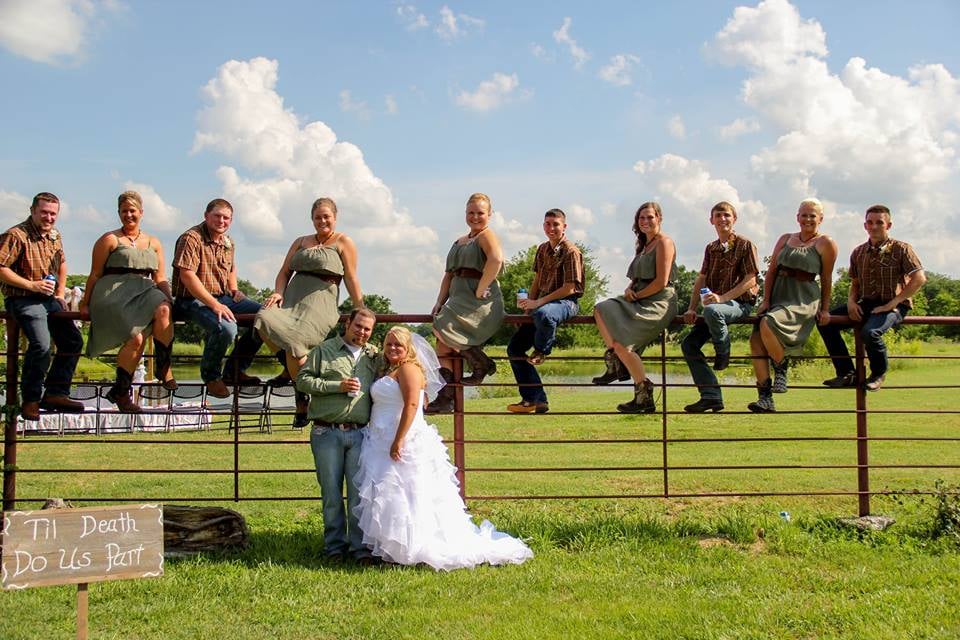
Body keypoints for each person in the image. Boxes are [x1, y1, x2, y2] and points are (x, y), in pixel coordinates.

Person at [354, 326, 533, 570]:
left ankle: (415, 548)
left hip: (401, 439)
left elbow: (412, 405)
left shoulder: (409, 369)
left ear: (408, 349)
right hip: (379, 437)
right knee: (389, 495)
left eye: (398, 344)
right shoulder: (390, 369)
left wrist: (398, 440)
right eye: (389, 344)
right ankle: (392, 549)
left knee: (407, 494)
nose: (393, 348)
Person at [254, 197, 364, 427]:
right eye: (317, 217)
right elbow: (284, 272)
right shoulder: (300, 241)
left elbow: (351, 277)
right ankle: (289, 369)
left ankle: (301, 399)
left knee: (296, 341)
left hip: (320, 302)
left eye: (327, 216)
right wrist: (277, 292)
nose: (322, 221)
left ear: (335, 217)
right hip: (292, 299)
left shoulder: (343, 242)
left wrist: (360, 307)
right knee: (263, 318)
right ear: (311, 219)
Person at [79, 191, 177, 413]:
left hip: (145, 290)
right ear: (119, 213)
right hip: (113, 293)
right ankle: (122, 392)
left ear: (141, 213)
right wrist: (84, 303)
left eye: (133, 211)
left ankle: (164, 367)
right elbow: (95, 273)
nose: (129, 215)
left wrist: (170, 299)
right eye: (124, 211)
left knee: (164, 309)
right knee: (135, 338)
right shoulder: (109, 239)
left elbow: (160, 277)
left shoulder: (154, 242)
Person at [296, 308, 380, 564]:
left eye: (367, 329)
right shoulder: (324, 350)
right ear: (347, 323)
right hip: (326, 432)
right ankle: (334, 548)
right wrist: (337, 386)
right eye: (358, 326)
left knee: (358, 494)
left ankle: (360, 548)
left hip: (360, 433)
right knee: (331, 493)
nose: (362, 332)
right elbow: (302, 381)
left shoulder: (373, 355)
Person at [818, 204, 925, 392]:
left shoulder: (902, 249)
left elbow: (919, 278)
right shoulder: (858, 252)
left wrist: (894, 302)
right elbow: (856, 284)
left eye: (879, 222)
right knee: (825, 322)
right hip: (866, 303)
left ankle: (877, 374)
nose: (874, 226)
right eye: (870, 222)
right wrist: (851, 302)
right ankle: (847, 373)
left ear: (888, 225)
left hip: (894, 305)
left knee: (870, 332)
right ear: (865, 225)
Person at [0, 192, 84, 420]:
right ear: (33, 211)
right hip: (23, 298)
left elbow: (62, 263)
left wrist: (59, 293)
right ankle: (31, 399)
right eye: (44, 212)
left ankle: (56, 393)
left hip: (48, 300)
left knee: (73, 340)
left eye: (53, 213)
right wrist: (32, 285)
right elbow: (1, 268)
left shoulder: (55, 236)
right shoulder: (16, 235)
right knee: (41, 345)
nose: (49, 218)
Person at [748, 198, 838, 412]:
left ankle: (781, 367)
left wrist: (825, 308)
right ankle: (765, 399)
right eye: (804, 215)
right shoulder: (785, 239)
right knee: (755, 342)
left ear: (821, 219)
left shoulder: (826, 243)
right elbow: (770, 272)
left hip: (803, 298)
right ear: (797, 217)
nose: (807, 219)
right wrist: (766, 299)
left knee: (768, 323)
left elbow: (826, 279)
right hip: (779, 293)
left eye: (812, 215)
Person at [171, 198, 263, 398]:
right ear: (206, 216)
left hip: (222, 296)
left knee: (266, 318)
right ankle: (211, 376)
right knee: (227, 328)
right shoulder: (192, 238)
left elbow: (231, 267)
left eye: (226, 218)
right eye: (217, 216)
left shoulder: (227, 241)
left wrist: (234, 288)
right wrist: (214, 305)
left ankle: (234, 370)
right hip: (192, 300)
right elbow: (187, 275)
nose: (221, 221)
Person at [592, 202, 678, 414]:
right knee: (601, 308)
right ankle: (616, 363)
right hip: (638, 297)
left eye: (650, 217)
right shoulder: (643, 246)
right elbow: (637, 278)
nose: (646, 221)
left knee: (625, 345)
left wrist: (637, 295)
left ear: (659, 218)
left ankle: (642, 395)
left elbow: (661, 282)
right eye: (642, 218)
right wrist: (630, 289)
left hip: (659, 301)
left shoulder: (664, 243)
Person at [426, 193, 505, 414]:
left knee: (439, 327)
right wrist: (439, 301)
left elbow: (496, 259)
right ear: (465, 214)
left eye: (480, 212)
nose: (475, 217)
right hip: (457, 300)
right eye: (471, 212)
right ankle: (446, 397)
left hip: (478, 301)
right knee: (442, 346)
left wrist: (481, 287)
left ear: (489, 214)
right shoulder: (459, 241)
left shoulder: (486, 235)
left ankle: (480, 363)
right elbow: (448, 275)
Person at [681, 202, 760, 413]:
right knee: (689, 345)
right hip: (715, 309)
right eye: (718, 215)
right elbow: (702, 278)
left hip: (739, 303)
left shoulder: (745, 244)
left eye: (726, 215)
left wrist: (722, 298)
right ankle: (711, 396)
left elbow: (751, 279)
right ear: (711, 220)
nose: (722, 219)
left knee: (713, 310)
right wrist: (691, 308)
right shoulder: (711, 248)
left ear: (734, 219)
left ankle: (723, 352)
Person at [506, 208, 584, 414]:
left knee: (545, 314)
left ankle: (542, 350)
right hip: (542, 305)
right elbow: (538, 279)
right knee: (514, 349)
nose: (551, 228)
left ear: (564, 227)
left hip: (567, 302)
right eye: (548, 224)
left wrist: (538, 303)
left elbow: (569, 287)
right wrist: (528, 305)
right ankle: (534, 399)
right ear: (543, 226)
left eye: (556, 224)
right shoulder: (542, 249)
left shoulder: (571, 251)